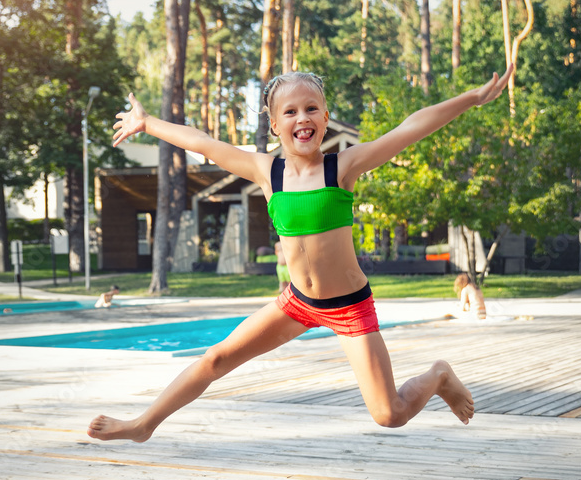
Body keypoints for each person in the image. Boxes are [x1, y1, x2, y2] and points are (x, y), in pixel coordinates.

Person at [88, 66, 513, 442]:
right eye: (289, 112)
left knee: (390, 414)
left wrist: (471, 99)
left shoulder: (342, 167)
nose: (302, 118)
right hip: (297, 302)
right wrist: (147, 123)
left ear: (325, 117)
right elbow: (203, 142)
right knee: (215, 357)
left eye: (311, 109)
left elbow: (409, 127)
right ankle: (144, 424)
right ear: (275, 125)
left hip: (349, 308)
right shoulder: (266, 171)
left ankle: (438, 374)